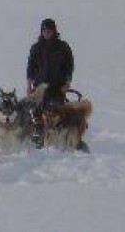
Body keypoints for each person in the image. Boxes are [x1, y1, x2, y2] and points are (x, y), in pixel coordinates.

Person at [26, 18, 87, 151]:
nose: (46, 33)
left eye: (49, 30)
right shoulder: (36, 47)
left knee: (56, 112)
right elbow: (31, 67)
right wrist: (29, 84)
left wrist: (67, 83)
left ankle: (69, 139)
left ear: (54, 31)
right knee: (37, 112)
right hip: (40, 87)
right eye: (44, 30)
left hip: (58, 87)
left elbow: (69, 66)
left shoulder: (63, 47)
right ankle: (39, 136)